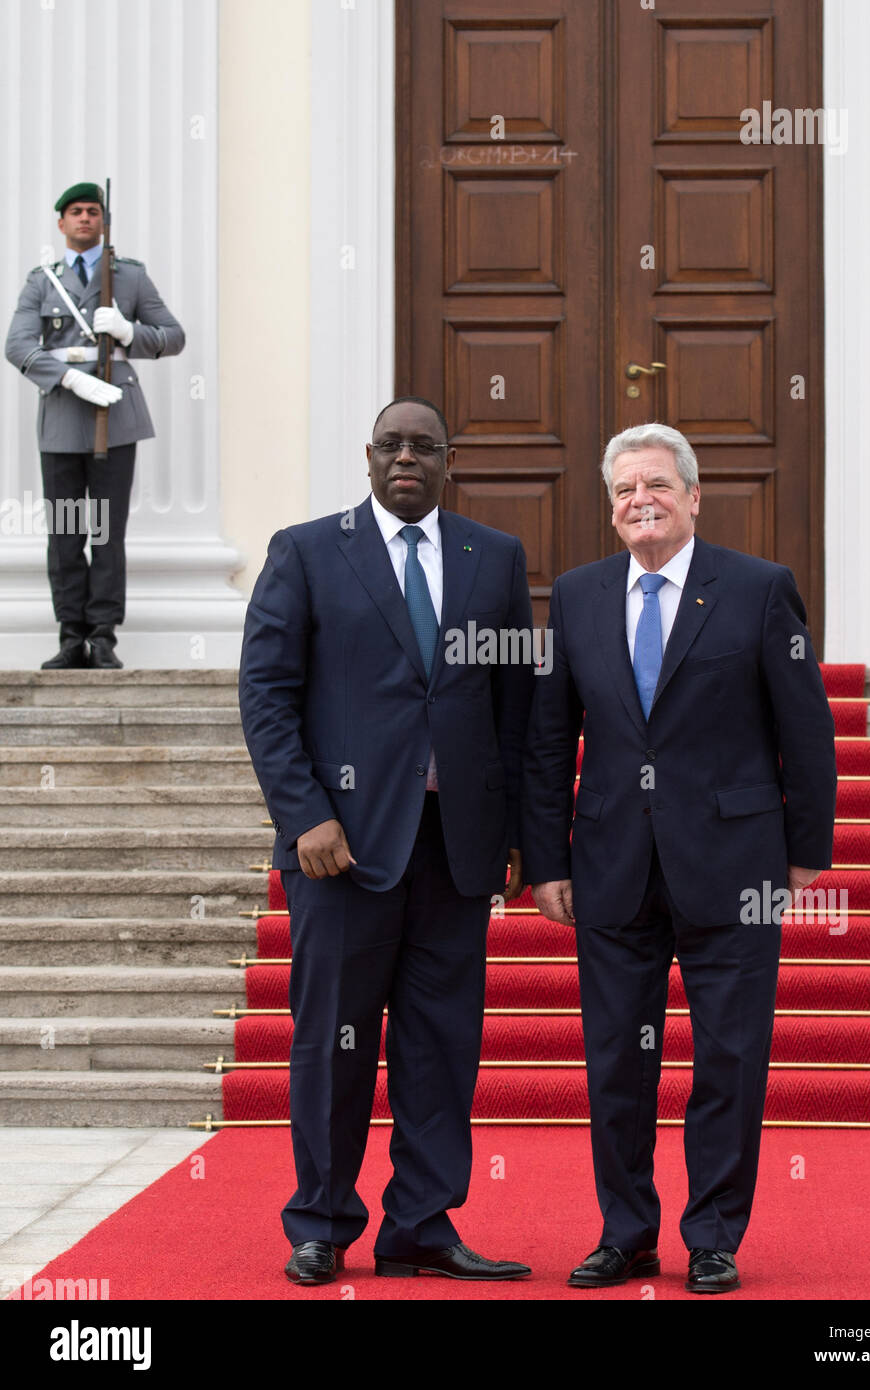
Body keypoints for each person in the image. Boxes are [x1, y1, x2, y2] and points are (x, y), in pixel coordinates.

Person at [521, 422, 837, 1292]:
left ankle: (713, 1236)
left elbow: (803, 728)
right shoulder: (579, 597)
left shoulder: (759, 590)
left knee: (729, 1060)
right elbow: (551, 742)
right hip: (612, 864)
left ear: (693, 497)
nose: (640, 501)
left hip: (734, 866)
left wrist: (805, 851)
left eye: (656, 485)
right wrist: (546, 860)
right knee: (616, 1061)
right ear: (610, 508)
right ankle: (625, 1232)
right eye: (624, 490)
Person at [239, 396, 536, 1284]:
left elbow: (512, 708)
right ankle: (322, 1223)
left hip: (456, 848)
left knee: (441, 1044)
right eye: (391, 445)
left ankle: (422, 1223)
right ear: (367, 458)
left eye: (424, 447)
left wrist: (518, 830)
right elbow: (266, 695)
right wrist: (305, 817)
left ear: (448, 462)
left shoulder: (496, 558)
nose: (406, 458)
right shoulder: (306, 551)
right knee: (333, 1041)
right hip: (343, 850)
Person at [4, 181, 185, 669]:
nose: (85, 218)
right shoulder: (43, 280)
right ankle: (70, 634)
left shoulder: (129, 278)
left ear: (103, 221)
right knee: (66, 532)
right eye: (75, 212)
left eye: (93, 211)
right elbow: (18, 345)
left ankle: (103, 635)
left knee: (107, 532)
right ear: (61, 223)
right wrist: (69, 379)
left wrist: (129, 332)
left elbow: (173, 336)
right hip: (65, 421)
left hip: (116, 421)